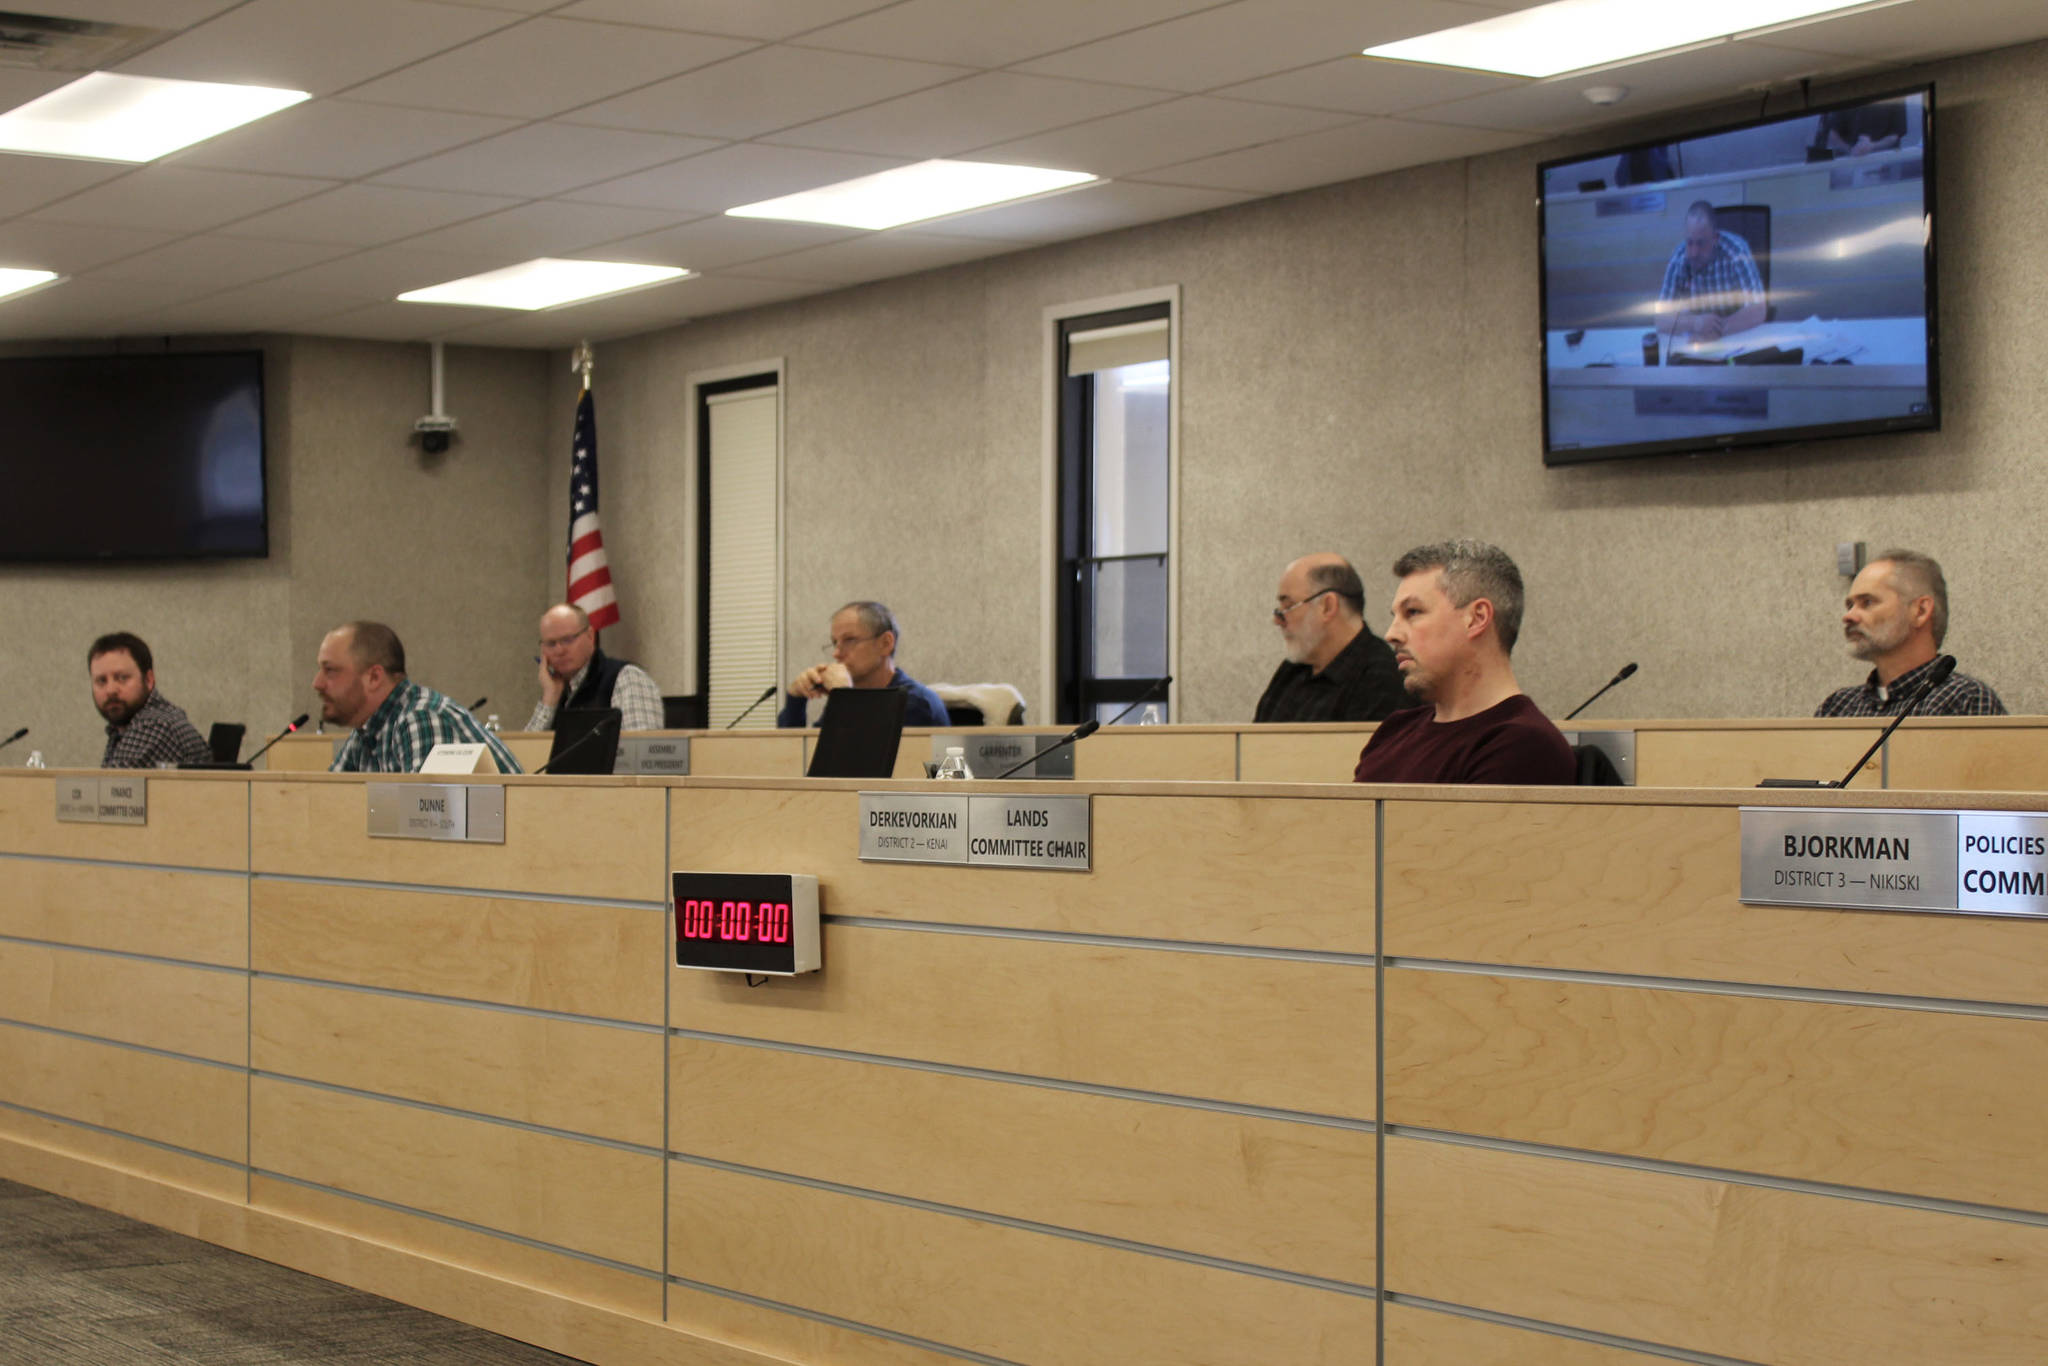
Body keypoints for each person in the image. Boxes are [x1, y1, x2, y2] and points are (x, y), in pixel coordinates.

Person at [1353, 541, 1575, 786]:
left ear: (1476, 618)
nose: (1391, 634)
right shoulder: (1394, 730)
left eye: (1413, 612)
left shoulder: (1523, 746)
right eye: (1395, 617)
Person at [317, 621, 522, 773]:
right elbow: (326, 803)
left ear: (374, 677)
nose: (317, 683)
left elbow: (427, 823)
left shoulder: (422, 718)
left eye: (331, 671)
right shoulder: (367, 730)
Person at [1817, 550, 2005, 717]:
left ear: (1920, 611)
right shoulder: (1838, 707)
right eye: (1850, 605)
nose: (1848, 616)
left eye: (1867, 602)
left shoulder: (1964, 699)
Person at [1254, 554, 1404, 723]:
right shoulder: (1292, 670)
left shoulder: (1383, 679)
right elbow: (1253, 744)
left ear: (1327, 606)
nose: (1276, 620)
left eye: (1288, 606)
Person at [778, 601, 949, 728]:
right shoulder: (852, 698)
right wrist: (796, 699)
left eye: (849, 640)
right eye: (835, 643)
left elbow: (859, 761)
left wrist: (844, 697)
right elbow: (792, 759)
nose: (836, 653)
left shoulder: (916, 703)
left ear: (885, 643)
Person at [526, 603, 663, 733]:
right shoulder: (558, 691)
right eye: (551, 643)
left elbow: (640, 752)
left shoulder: (627, 678)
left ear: (590, 636)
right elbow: (523, 753)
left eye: (567, 640)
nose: (559, 650)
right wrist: (549, 698)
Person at [88, 632, 211, 769]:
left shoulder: (155, 725)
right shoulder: (126, 727)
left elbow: (110, 788)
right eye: (101, 681)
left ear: (149, 680)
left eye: (122, 678)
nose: (110, 690)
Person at [1656, 201, 1766, 343]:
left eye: (1700, 243)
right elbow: (1660, 320)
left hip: (1735, 339)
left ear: (1715, 239)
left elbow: (1759, 310)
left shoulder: (1736, 252)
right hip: (1695, 343)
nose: (1694, 252)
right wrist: (1696, 323)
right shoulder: (1679, 258)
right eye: (1690, 242)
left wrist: (1717, 330)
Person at [1817, 103, 1907, 157]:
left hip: (1885, 163)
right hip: (1848, 164)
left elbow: (1895, 135)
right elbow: (1832, 134)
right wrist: (1851, 150)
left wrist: (1872, 146)